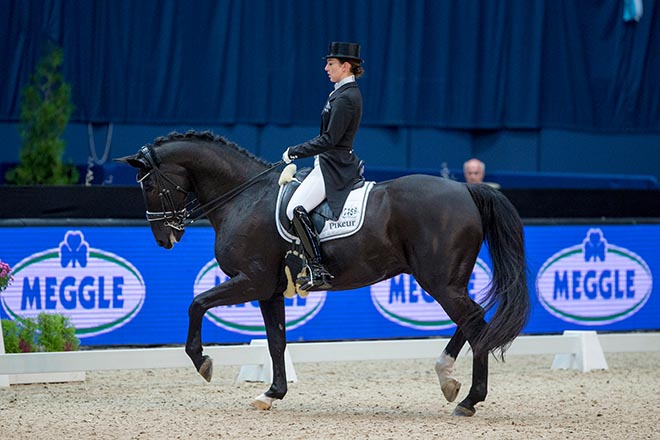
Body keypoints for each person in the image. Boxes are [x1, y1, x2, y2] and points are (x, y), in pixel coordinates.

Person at [281, 42, 365, 290]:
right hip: (329, 161)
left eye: (331, 64)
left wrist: (294, 152)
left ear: (346, 66)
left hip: (334, 166)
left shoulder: (347, 98)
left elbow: (329, 140)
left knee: (295, 209)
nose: (326, 68)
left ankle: (317, 268)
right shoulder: (341, 93)